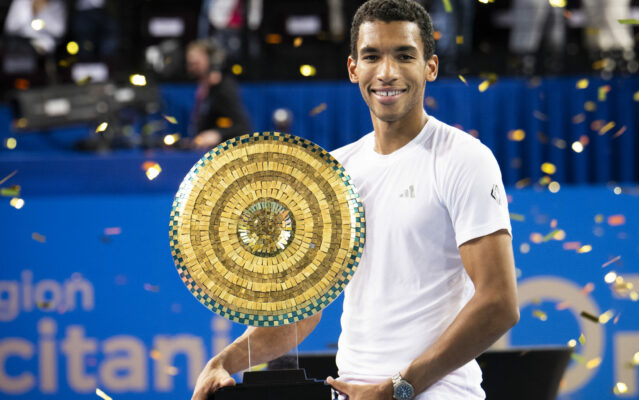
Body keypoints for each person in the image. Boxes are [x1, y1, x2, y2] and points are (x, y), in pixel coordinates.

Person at [191, 1, 519, 399]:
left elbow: (499, 302)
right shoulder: (336, 170)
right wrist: (224, 361)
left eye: (404, 56)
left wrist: (398, 388)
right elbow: (305, 311)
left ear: (429, 67)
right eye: (372, 56)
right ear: (353, 69)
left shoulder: (464, 159)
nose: (386, 72)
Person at [186, 39, 251, 149]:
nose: (193, 67)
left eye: (196, 63)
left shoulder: (223, 87)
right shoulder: (202, 88)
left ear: (211, 61)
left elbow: (243, 127)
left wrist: (218, 134)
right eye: (190, 64)